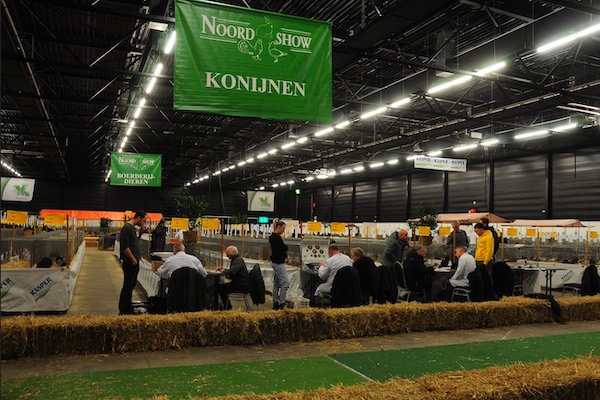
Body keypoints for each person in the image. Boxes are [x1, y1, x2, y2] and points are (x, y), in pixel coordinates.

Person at [118, 210, 147, 315]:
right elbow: (125, 247)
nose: (144, 223)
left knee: (131, 285)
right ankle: (124, 308)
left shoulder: (133, 229)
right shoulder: (127, 228)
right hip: (130, 262)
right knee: (128, 285)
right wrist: (133, 259)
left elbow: (135, 245)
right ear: (138, 218)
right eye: (143, 220)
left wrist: (140, 234)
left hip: (133, 261)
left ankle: (127, 306)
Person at [216, 246, 249, 310]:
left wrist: (224, 271)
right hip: (240, 284)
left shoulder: (237, 261)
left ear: (232, 254)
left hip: (240, 286)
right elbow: (232, 272)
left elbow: (232, 272)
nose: (227, 257)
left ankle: (227, 307)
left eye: (228, 255)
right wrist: (224, 271)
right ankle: (226, 306)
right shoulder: (237, 260)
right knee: (221, 287)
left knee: (220, 288)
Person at [269, 220, 289, 310]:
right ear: (279, 227)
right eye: (283, 228)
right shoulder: (277, 238)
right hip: (278, 262)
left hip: (275, 262)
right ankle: (282, 302)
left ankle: (275, 302)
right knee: (285, 283)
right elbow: (284, 248)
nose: (283, 231)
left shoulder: (272, 237)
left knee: (276, 284)